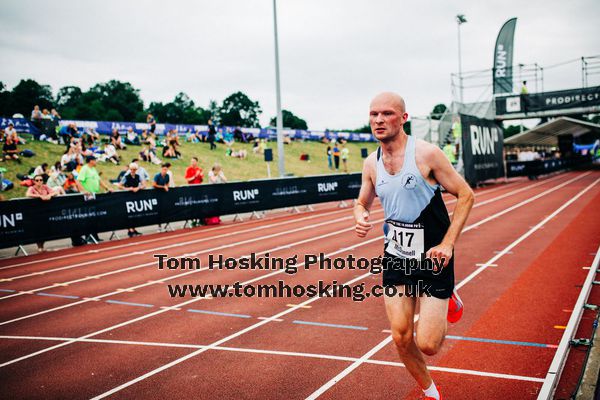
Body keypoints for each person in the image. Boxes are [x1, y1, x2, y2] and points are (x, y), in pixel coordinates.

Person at [353, 92, 474, 400]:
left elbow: (466, 195)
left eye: (387, 114)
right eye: (373, 114)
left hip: (434, 256)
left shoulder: (426, 155)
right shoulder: (371, 163)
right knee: (400, 336)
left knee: (429, 345)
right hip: (396, 256)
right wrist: (361, 214)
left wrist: (447, 244)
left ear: (403, 118)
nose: (379, 120)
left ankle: (450, 297)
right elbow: (361, 200)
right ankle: (431, 392)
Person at [26, 174, 61, 252]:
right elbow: (28, 194)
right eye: (37, 180)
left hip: (46, 211)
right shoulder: (31, 188)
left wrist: (49, 195)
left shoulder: (45, 187)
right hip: (36, 212)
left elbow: (56, 192)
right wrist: (40, 196)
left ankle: (42, 246)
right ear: (34, 181)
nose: (39, 181)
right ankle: (39, 247)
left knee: (45, 229)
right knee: (38, 229)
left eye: (41, 180)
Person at [118, 162, 145, 237]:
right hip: (127, 196)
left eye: (134, 169)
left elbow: (144, 185)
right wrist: (127, 188)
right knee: (129, 213)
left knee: (135, 213)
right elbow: (119, 186)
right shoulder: (126, 177)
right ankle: (129, 230)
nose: (133, 171)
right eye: (131, 169)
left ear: (136, 170)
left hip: (136, 196)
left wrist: (138, 188)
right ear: (130, 169)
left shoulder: (138, 176)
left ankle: (134, 228)